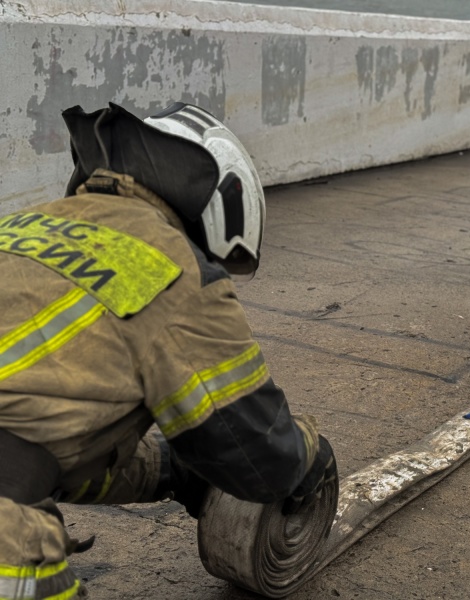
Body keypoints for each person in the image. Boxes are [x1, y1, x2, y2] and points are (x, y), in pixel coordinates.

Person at [0, 102, 338, 598]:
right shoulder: (174, 271)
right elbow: (259, 452)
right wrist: (308, 456)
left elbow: (40, 447)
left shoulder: (22, 226)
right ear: (222, 204)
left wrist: (173, 471)